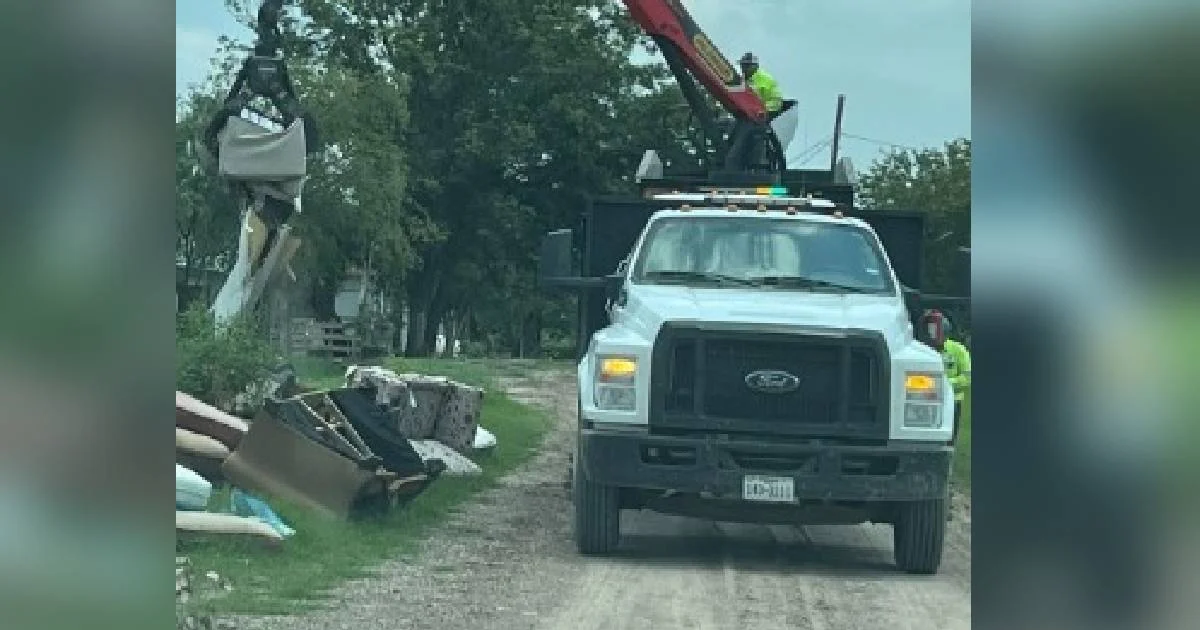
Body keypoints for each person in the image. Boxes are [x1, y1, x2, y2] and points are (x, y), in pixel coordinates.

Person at [924, 310, 971, 441]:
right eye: (930, 330)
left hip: (952, 402)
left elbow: (967, 378)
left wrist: (943, 384)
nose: (932, 334)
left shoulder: (958, 350)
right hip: (925, 401)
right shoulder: (921, 350)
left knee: (948, 439)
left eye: (935, 329)